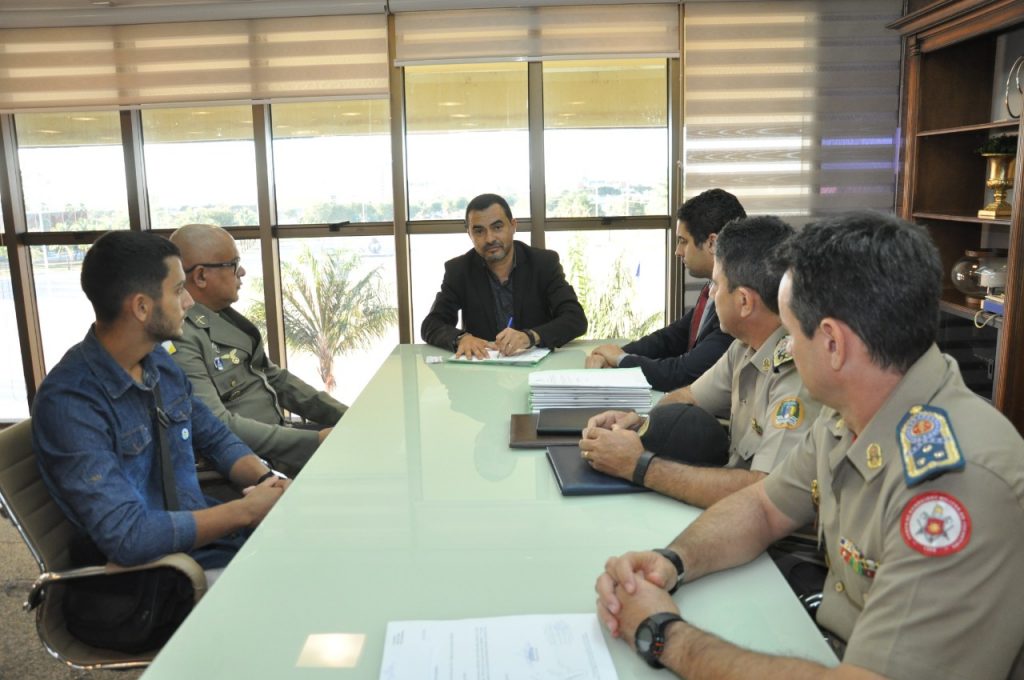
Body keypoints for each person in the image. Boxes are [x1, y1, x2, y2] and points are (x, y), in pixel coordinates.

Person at [595, 212, 1024, 679]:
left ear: (833, 344)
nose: (786, 347)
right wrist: (671, 562)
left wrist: (664, 635)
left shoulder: (955, 485)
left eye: (792, 331)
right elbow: (763, 507)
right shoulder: (852, 414)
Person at [32, 231, 287, 576]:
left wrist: (267, 480)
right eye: (179, 290)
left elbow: (215, 437)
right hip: (159, 574)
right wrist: (246, 511)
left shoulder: (158, 363)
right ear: (141, 307)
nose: (189, 302)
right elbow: (129, 536)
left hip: (208, 542)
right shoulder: (72, 403)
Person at [580, 216, 820, 509]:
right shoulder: (743, 347)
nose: (711, 294)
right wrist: (639, 423)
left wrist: (639, 465)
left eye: (716, 285)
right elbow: (689, 396)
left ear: (744, 302)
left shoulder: (798, 372)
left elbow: (765, 493)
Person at [169, 224, 346, 477]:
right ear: (200, 276)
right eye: (233, 264)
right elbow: (218, 425)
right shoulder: (181, 337)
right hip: (249, 465)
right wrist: (314, 441)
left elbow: (277, 379)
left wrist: (346, 416)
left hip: (279, 442)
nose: (242, 272)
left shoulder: (225, 319)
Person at [586, 189, 745, 391]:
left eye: (683, 241)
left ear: (712, 243)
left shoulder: (736, 302)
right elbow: (671, 338)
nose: (677, 251)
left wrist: (620, 359)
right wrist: (614, 354)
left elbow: (682, 373)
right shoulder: (711, 288)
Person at [420, 193, 587, 358]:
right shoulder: (459, 270)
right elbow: (431, 325)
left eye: (497, 227)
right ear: (469, 234)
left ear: (513, 226)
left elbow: (575, 318)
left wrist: (530, 337)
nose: (489, 238)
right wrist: (461, 338)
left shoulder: (543, 263)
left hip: (537, 366)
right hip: (483, 367)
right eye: (479, 231)